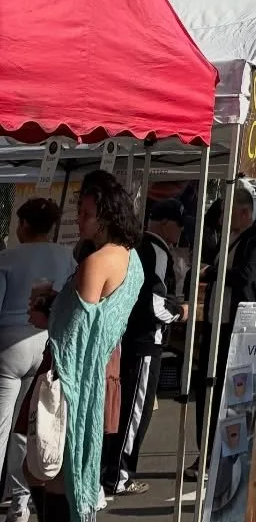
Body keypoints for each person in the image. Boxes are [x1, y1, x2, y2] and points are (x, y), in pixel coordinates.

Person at [11, 172, 143, 522]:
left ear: (105, 215)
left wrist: (45, 313)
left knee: (47, 471)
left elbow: (75, 332)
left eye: (86, 214)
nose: (80, 221)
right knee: (53, 475)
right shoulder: (131, 257)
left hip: (73, 379)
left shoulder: (96, 261)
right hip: (98, 376)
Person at [103, 198, 188, 496]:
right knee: (134, 410)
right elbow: (154, 302)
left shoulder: (135, 247)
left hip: (127, 338)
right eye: (178, 226)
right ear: (165, 224)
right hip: (145, 341)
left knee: (122, 406)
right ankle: (119, 474)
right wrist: (179, 312)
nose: (179, 233)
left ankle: (111, 470)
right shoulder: (156, 251)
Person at [0, 199, 73, 522]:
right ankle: (19, 506)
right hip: (45, 342)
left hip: (9, 343)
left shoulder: (7, 258)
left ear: (24, 225)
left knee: (2, 427)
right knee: (26, 426)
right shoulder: (66, 256)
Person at [195, 182, 256, 464]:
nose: (222, 221)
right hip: (216, 322)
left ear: (243, 212)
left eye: (227, 213)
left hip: (241, 325)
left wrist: (213, 272)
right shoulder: (228, 239)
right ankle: (205, 450)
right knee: (207, 388)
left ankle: (232, 449)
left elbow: (245, 274)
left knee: (236, 391)